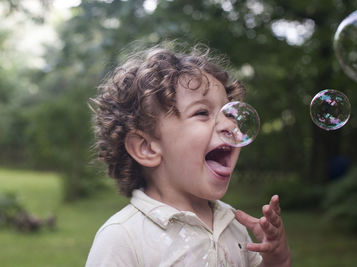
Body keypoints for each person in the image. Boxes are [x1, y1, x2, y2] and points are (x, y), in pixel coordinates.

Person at [86, 41, 291, 267]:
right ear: (146, 148)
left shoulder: (231, 223)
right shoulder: (123, 237)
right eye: (202, 112)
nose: (230, 125)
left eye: (229, 113)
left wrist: (276, 260)